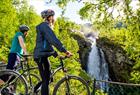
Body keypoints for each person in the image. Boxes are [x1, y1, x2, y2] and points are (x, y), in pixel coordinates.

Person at [33, 9, 72, 95]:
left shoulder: (45, 27)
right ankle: (36, 90)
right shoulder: (44, 26)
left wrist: (57, 55)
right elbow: (53, 40)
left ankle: (35, 90)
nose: (54, 18)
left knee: (49, 78)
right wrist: (65, 51)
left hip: (43, 56)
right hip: (40, 56)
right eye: (52, 16)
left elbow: (48, 44)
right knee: (45, 81)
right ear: (49, 18)